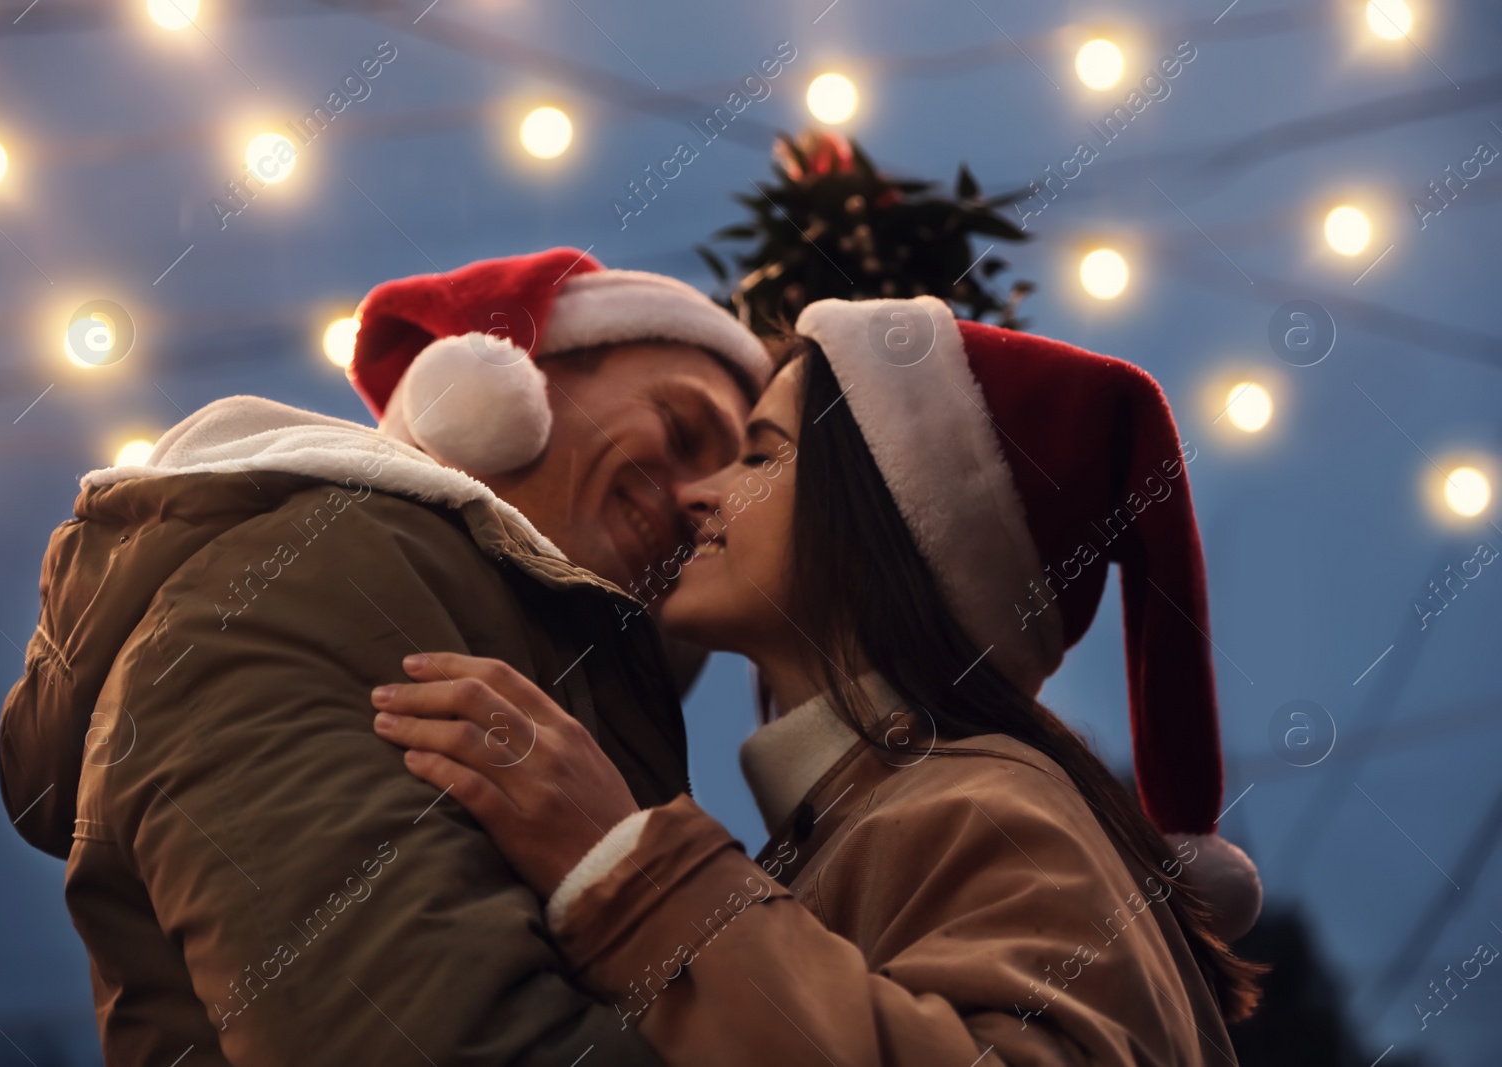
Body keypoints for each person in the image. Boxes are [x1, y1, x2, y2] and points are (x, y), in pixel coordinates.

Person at [370, 295, 1267, 1065]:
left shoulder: (988, 806)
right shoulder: (859, 821)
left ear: (883, 516)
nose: (694, 494)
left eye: (759, 455)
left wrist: (627, 870)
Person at [0, 248, 771, 1067]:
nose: (700, 500)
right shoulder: (298, 586)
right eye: (684, 430)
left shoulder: (443, 614)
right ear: (501, 388)